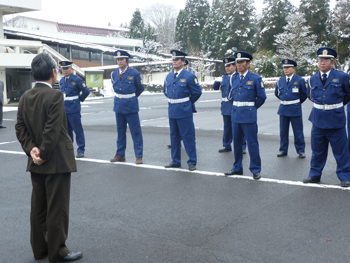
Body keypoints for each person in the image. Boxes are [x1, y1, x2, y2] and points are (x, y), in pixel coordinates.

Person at [15, 53, 82, 262]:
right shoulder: (55, 96)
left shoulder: (26, 96)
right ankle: (58, 252)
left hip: (35, 162)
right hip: (55, 161)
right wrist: (43, 154)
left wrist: (32, 150)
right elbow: (52, 130)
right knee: (57, 208)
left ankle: (40, 249)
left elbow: (20, 126)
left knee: (39, 207)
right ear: (53, 73)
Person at [303, 47, 350, 187]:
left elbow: (348, 94)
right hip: (318, 120)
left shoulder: (342, 77)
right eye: (320, 60)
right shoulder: (312, 78)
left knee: (341, 151)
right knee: (317, 150)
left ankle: (344, 176)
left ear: (333, 62)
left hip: (336, 120)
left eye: (326, 60)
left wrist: (334, 105)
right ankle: (314, 175)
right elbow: (310, 95)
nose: (322, 63)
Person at [224, 51, 267, 180]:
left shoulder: (255, 78)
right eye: (237, 62)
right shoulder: (235, 77)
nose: (239, 64)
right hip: (236, 115)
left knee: (252, 143)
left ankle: (255, 169)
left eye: (242, 62)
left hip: (248, 116)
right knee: (236, 143)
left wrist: (251, 108)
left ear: (248, 64)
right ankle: (237, 167)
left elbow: (261, 97)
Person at [164, 50, 202, 171]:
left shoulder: (189, 76)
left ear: (183, 62)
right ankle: (175, 160)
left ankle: (192, 161)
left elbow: (197, 92)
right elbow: (166, 91)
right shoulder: (169, 76)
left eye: (177, 59)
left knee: (187, 136)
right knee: (174, 136)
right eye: (173, 60)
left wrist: (187, 103)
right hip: (172, 110)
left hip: (184, 110)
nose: (174, 62)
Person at [110, 50, 145, 164]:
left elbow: (140, 88)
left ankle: (138, 155)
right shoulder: (114, 73)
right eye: (118, 59)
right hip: (119, 105)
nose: (119, 61)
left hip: (130, 105)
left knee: (135, 131)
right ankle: (120, 154)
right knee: (120, 131)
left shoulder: (134, 73)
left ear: (126, 60)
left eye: (121, 59)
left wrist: (132, 98)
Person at [213, 57, 247, 153]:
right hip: (226, 106)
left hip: (236, 105)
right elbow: (215, 88)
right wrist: (217, 81)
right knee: (227, 127)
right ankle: (227, 145)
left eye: (229, 66)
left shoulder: (239, 76)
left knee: (239, 127)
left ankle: (242, 146)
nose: (227, 68)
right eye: (226, 66)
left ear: (235, 66)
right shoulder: (224, 78)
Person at [275, 59, 307, 158]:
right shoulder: (280, 81)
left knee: (298, 131)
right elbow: (277, 93)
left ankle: (300, 150)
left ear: (293, 69)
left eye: (288, 67)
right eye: (284, 68)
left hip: (295, 109)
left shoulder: (300, 80)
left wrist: (296, 102)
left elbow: (304, 94)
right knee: (283, 132)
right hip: (283, 109)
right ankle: (283, 150)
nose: (286, 69)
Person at [59, 61, 90, 158]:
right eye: (63, 69)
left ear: (71, 69)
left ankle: (81, 149)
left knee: (78, 130)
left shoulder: (77, 79)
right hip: (64, 109)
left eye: (66, 68)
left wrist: (79, 99)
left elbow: (86, 91)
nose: (64, 70)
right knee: (67, 131)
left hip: (73, 108)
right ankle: (69, 149)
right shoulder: (61, 80)